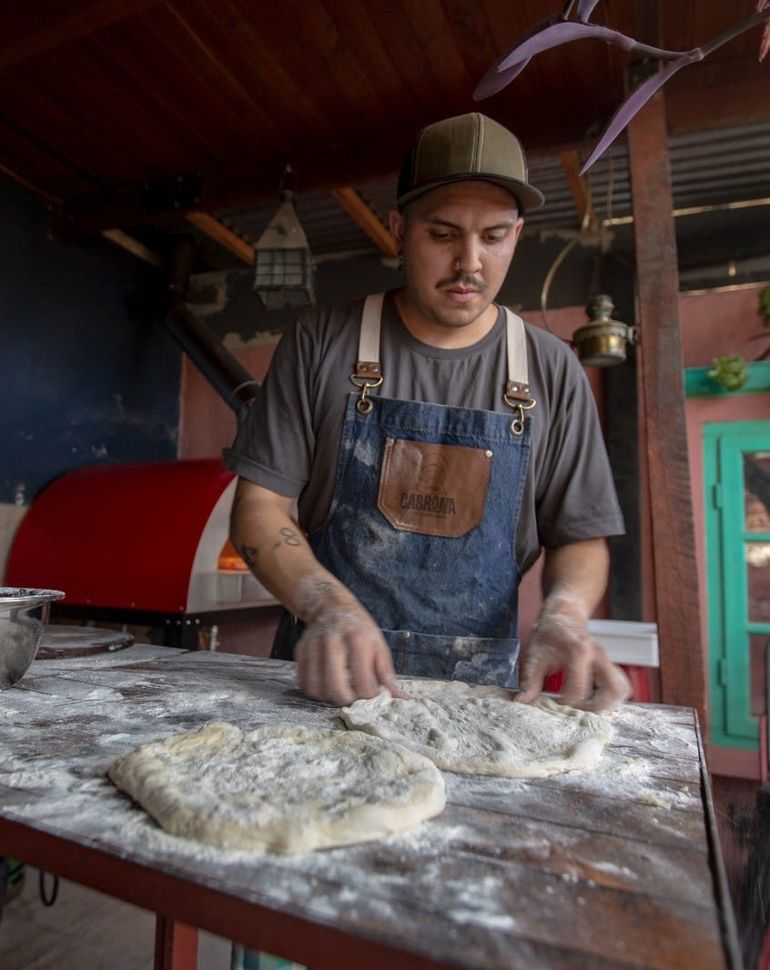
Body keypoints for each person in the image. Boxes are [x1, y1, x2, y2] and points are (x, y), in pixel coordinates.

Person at [225, 112, 630, 713]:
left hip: (482, 699)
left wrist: (566, 615)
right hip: (325, 689)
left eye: (493, 237)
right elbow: (259, 508)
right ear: (398, 229)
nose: (469, 262)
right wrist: (326, 605)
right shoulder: (321, 342)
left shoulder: (550, 370)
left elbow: (580, 537)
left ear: (516, 235)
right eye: (443, 234)